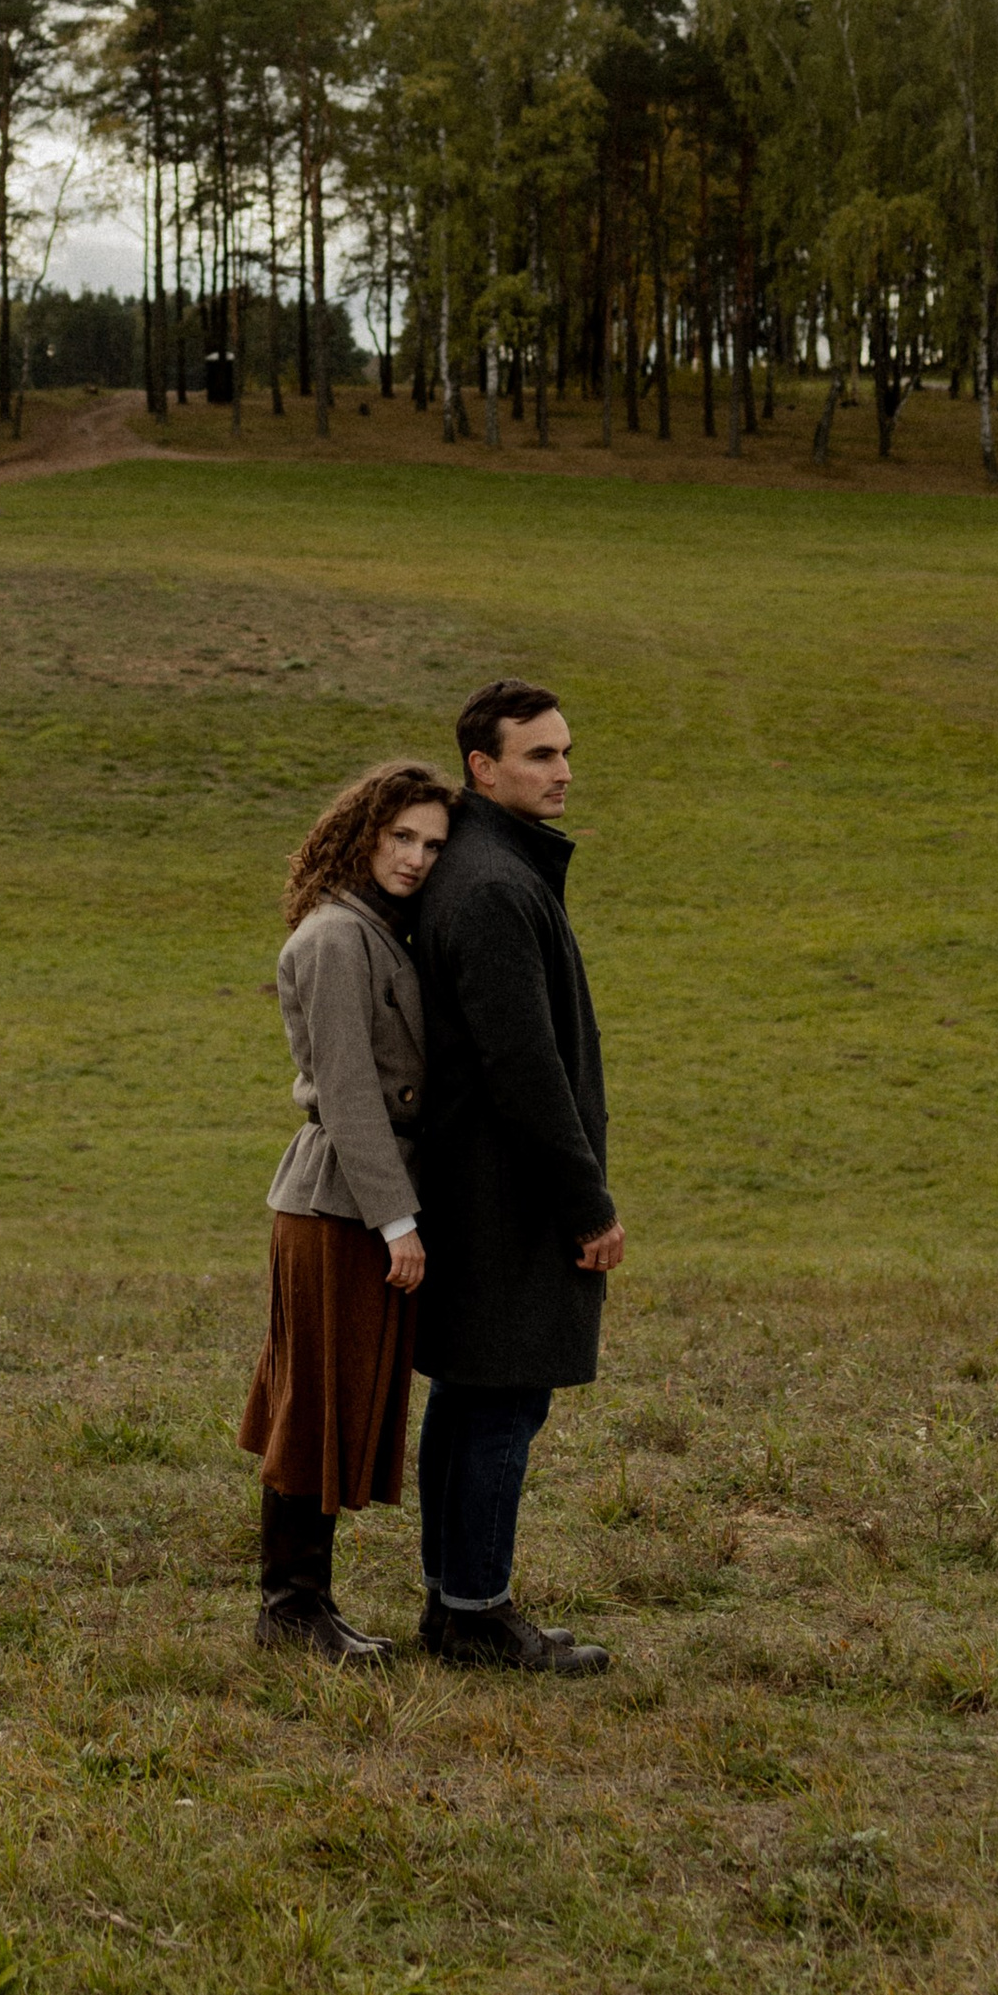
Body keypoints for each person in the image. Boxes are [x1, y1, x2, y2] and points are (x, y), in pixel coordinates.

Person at [409, 677, 624, 1675]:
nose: (563, 770)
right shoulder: (495, 885)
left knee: (471, 1393)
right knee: (500, 1400)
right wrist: (585, 1202)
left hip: (481, 1186)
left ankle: (454, 1607)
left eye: (565, 751)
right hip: (504, 1195)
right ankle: (476, 1616)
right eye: (539, 755)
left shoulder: (491, 865)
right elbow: (523, 1066)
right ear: (479, 767)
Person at [238, 758, 455, 1663]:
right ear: (362, 832)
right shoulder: (336, 936)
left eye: (433, 845)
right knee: (313, 1402)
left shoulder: (382, 931)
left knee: (330, 1398)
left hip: (354, 1203)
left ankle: (303, 1608)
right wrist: (396, 1221)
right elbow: (348, 1091)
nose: (415, 858)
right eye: (400, 836)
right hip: (338, 1203)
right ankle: (290, 1610)